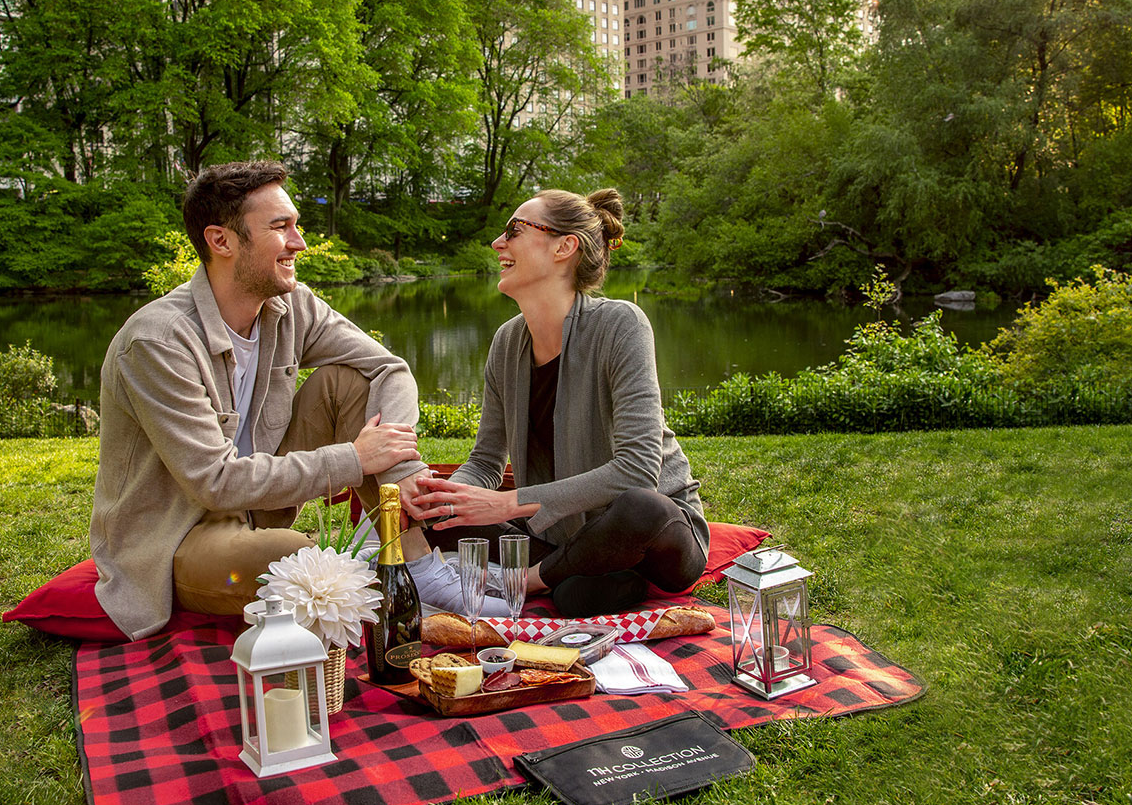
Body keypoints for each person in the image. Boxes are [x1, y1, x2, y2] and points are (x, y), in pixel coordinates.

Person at [91, 161, 463, 640]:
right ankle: (364, 576)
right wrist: (353, 458)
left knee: (347, 383)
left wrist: (400, 471)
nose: (300, 242)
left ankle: (419, 570)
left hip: (261, 507)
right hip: (182, 534)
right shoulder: (158, 342)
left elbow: (389, 369)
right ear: (221, 241)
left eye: (297, 224)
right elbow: (214, 483)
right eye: (280, 227)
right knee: (291, 561)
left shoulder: (290, 306)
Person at [405, 189, 709, 618]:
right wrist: (443, 496)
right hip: (560, 537)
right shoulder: (506, 343)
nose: (498, 243)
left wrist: (508, 504)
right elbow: (487, 462)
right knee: (443, 519)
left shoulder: (620, 324)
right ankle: (577, 575)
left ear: (565, 247)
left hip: (651, 536)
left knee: (642, 506)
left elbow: (638, 469)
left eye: (514, 231)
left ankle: (529, 580)